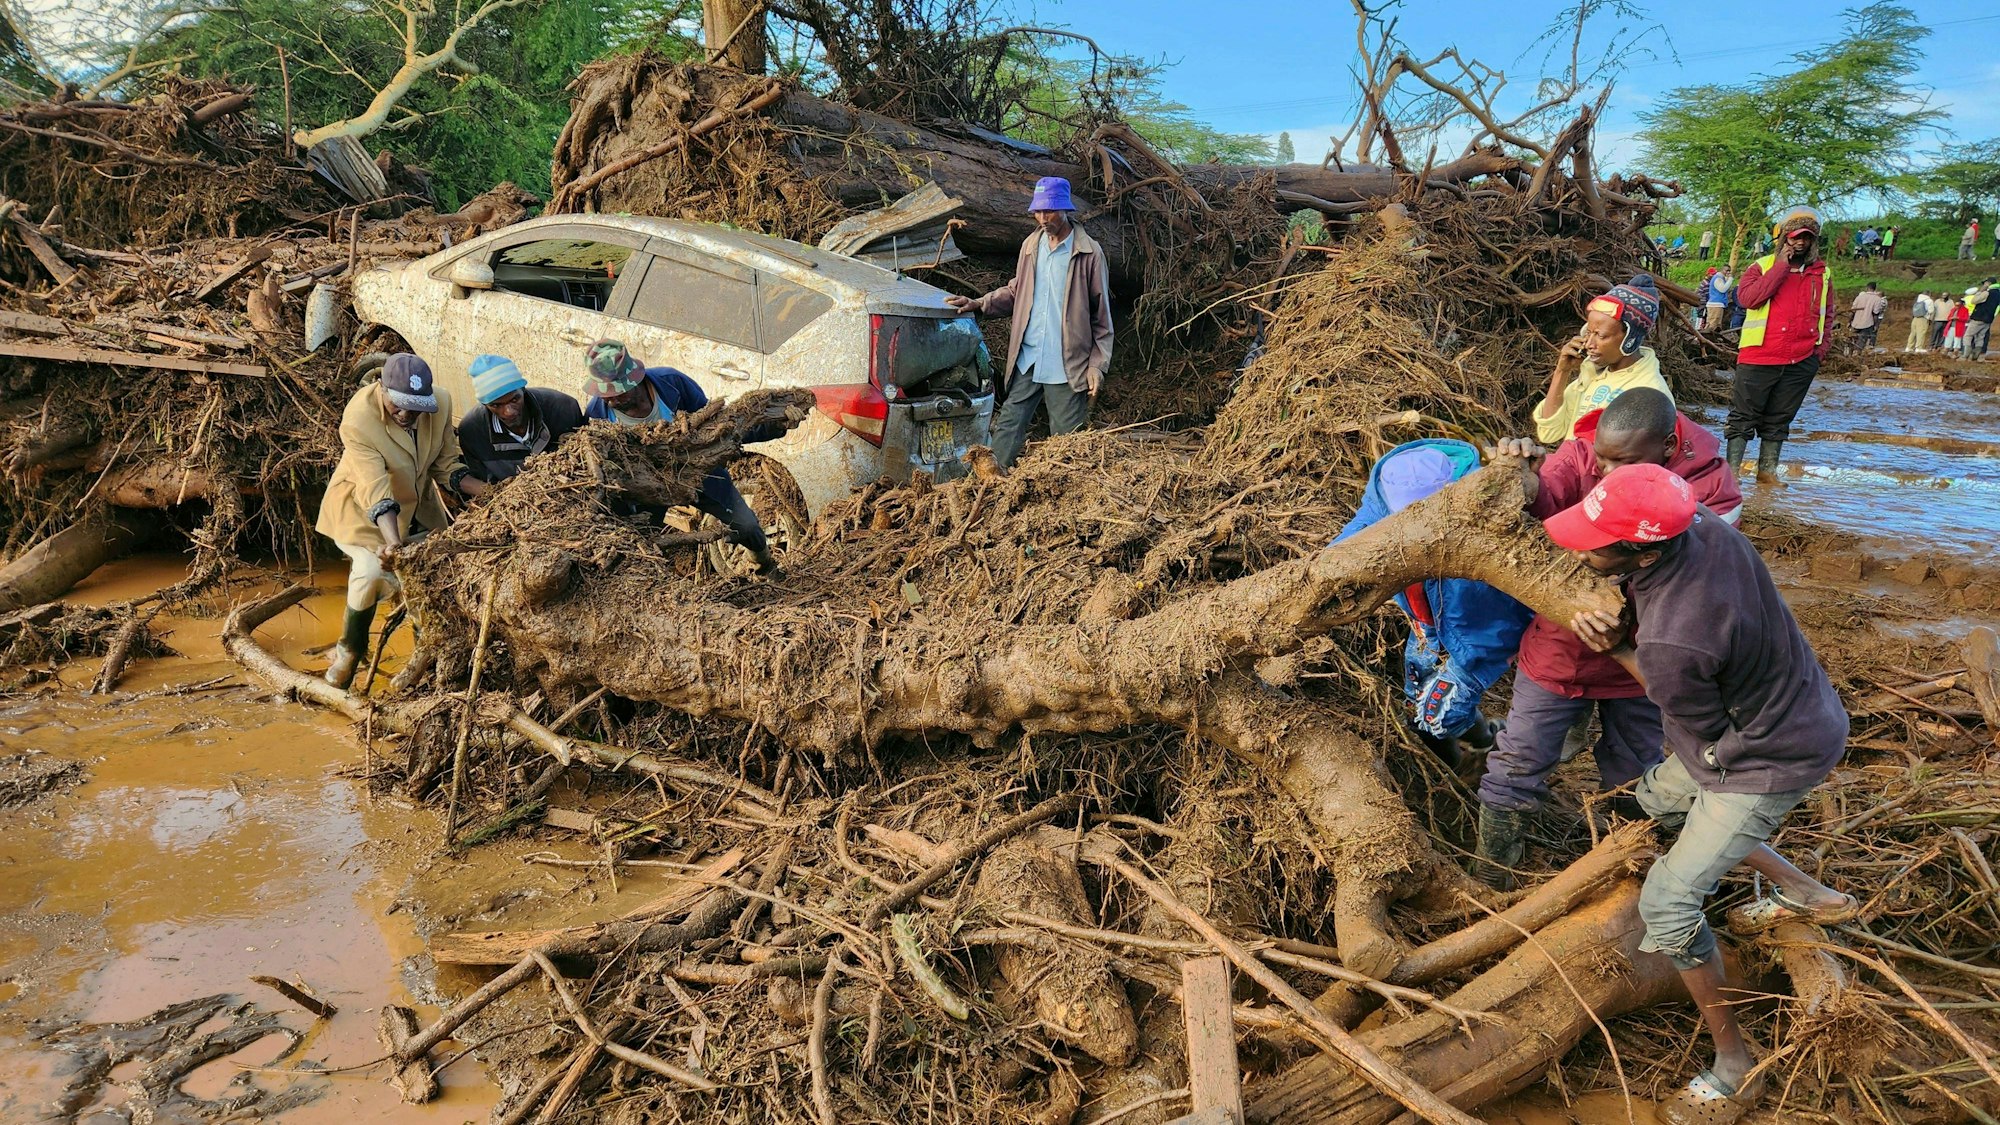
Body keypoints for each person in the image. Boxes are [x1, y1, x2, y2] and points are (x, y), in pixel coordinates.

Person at [1547, 462, 1857, 1125]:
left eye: (1595, 539)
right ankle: (1811, 893)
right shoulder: (1706, 526)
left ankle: (1734, 1070)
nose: (1579, 545)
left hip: (1768, 752)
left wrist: (1618, 643)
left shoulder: (1672, 639)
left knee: (1668, 898)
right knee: (1662, 804)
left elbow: (1693, 717)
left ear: (1641, 547)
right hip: (1794, 703)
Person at [1475, 389, 1742, 888]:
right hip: (1562, 647)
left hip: (1645, 663)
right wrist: (1520, 475)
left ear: (1666, 447)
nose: (1607, 469)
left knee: (1636, 770)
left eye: (1624, 462)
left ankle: (1620, 874)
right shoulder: (1582, 453)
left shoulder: (1708, 486)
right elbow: (1544, 501)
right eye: (1603, 458)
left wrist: (1624, 621)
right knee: (1517, 762)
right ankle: (1491, 879)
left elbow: (1705, 581)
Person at [1332, 440, 1533, 768]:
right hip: (1426, 628)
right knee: (1417, 704)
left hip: (1477, 636)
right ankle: (1461, 757)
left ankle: (1490, 744)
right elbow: (1352, 538)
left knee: (1440, 716)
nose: (1408, 531)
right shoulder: (1384, 492)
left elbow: (1512, 602)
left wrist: (1474, 659)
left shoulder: (1481, 512)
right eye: (1401, 519)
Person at [316, 353, 488, 688]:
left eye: (416, 406)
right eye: (399, 405)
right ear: (381, 388)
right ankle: (349, 651)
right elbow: (375, 488)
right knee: (369, 572)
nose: (407, 414)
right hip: (363, 512)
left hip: (416, 510)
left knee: (433, 576)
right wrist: (394, 545)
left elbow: (446, 465)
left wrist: (492, 492)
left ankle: (424, 659)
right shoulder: (358, 419)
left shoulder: (439, 404)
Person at [946, 176, 1113, 470]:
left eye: (1048, 212)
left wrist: (1096, 365)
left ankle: (1066, 504)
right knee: (1008, 425)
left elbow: (1102, 319)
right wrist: (980, 303)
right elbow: (1016, 291)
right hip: (1030, 357)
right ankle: (987, 488)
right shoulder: (1031, 245)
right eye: (1037, 212)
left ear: (1065, 210)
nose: (1042, 218)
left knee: (1067, 443)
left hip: (1067, 363)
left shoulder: (1089, 253)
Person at [580, 340, 784, 575]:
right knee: (638, 547)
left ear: (634, 379)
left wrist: (773, 427)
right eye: (606, 394)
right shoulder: (598, 413)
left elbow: (717, 428)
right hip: (646, 487)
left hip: (696, 470)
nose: (612, 400)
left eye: (618, 392)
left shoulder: (671, 383)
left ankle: (764, 565)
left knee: (747, 525)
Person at [1725, 206, 1831, 486]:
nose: (1800, 243)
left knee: (1780, 418)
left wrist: (1820, 351)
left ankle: (1767, 472)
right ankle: (1730, 474)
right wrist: (1781, 267)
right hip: (1760, 355)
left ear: (1813, 241)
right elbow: (1748, 299)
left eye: (1806, 238)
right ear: (1783, 239)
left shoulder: (1823, 273)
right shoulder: (1761, 266)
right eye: (1794, 237)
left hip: (1802, 359)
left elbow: (1827, 313)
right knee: (1742, 417)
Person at [1535, 276, 1672, 444]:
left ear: (1630, 339)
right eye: (1588, 332)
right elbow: (1548, 433)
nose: (1589, 344)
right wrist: (1561, 371)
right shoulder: (1592, 376)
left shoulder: (1650, 392)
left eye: (1600, 335)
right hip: (1572, 467)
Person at [456, 354, 585, 484]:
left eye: (514, 399)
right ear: (485, 405)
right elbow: (485, 485)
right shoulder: (472, 432)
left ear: (523, 390)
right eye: (496, 405)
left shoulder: (563, 409)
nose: (509, 412)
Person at [1848, 282, 1888, 351]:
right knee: (1861, 342)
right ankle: (1857, 354)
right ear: (1875, 289)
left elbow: (1852, 311)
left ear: (1867, 288)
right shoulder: (1877, 299)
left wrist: (1849, 321)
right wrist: (1876, 325)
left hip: (1855, 323)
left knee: (1853, 340)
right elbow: (1875, 314)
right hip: (1867, 324)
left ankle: (1851, 354)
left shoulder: (1859, 297)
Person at [1968, 278, 1999, 359]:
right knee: (1982, 337)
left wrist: (1980, 291)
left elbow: (1974, 301)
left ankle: (1967, 355)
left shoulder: (1987, 293)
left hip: (1979, 317)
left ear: (1988, 283)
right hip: (1989, 318)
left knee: (1969, 336)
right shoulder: (1998, 293)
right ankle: (1980, 354)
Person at [1703, 267, 1732, 332]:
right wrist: (1730, 280)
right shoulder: (1718, 278)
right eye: (1727, 270)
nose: (1728, 272)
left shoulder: (1720, 278)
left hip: (1718, 304)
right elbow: (1723, 289)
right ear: (1722, 270)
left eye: (1729, 271)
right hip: (1715, 304)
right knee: (1713, 324)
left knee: (1717, 325)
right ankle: (1704, 338)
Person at [1944, 291, 1972, 356]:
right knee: (1948, 338)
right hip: (1951, 326)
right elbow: (1948, 317)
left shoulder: (1965, 310)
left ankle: (1955, 352)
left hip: (1959, 326)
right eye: (1956, 305)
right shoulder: (1953, 309)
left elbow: (1966, 318)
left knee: (1957, 339)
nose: (1956, 306)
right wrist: (1951, 318)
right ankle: (1946, 349)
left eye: (1958, 305)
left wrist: (1958, 318)